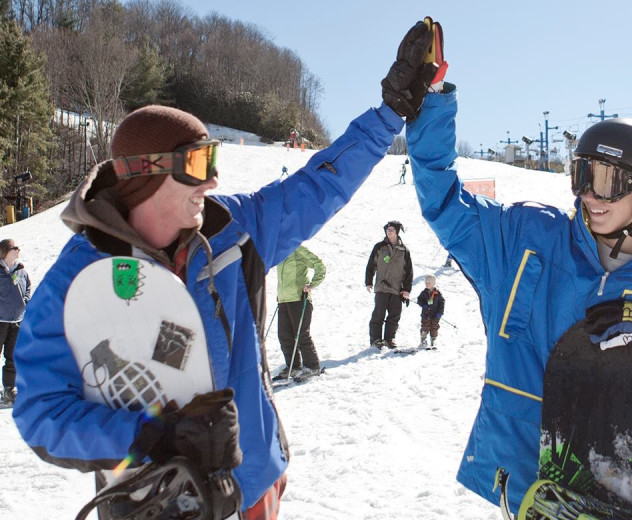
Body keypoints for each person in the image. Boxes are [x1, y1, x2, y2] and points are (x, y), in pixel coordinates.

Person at [11, 21, 433, 516]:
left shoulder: (235, 232)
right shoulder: (79, 279)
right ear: (145, 177)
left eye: (213, 161)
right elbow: (42, 411)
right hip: (155, 502)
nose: (210, 182)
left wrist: (389, 114)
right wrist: (150, 435)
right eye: (196, 164)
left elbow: (320, 185)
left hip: (251, 486)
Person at [405, 33, 632, 517]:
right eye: (582, 175)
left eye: (606, 181)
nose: (589, 195)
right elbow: (443, 200)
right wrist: (431, 104)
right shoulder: (526, 240)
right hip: (522, 494)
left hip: (617, 503)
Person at [275, 245, 326, 381]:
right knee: (284, 335)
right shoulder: (280, 251)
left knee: (301, 334)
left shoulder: (298, 249)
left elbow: (319, 265)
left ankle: (312, 366)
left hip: (300, 299)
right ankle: (293, 366)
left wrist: (312, 284)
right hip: (284, 300)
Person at [365, 220, 413, 348]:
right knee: (378, 314)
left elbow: (408, 272)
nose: (389, 231)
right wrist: (368, 281)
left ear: (397, 232)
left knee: (394, 315)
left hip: (397, 289)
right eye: (387, 229)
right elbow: (371, 264)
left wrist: (407, 289)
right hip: (381, 286)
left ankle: (389, 339)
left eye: (391, 229)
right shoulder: (379, 247)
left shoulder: (404, 250)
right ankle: (376, 339)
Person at [0, 239, 30, 404]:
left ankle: (9, 389)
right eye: (14, 248)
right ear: (5, 251)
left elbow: (28, 287)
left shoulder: (21, 270)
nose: (18, 250)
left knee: (12, 357)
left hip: (16, 320)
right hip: (0, 320)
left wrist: (25, 300)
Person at [416, 274, 445, 348]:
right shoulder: (424, 293)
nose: (427, 284)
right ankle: (423, 341)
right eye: (426, 283)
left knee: (434, 327)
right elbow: (419, 300)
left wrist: (440, 313)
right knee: (425, 327)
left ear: (433, 283)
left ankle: (433, 340)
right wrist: (423, 305)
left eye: (429, 283)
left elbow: (442, 303)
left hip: (435, 315)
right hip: (426, 314)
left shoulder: (437, 293)